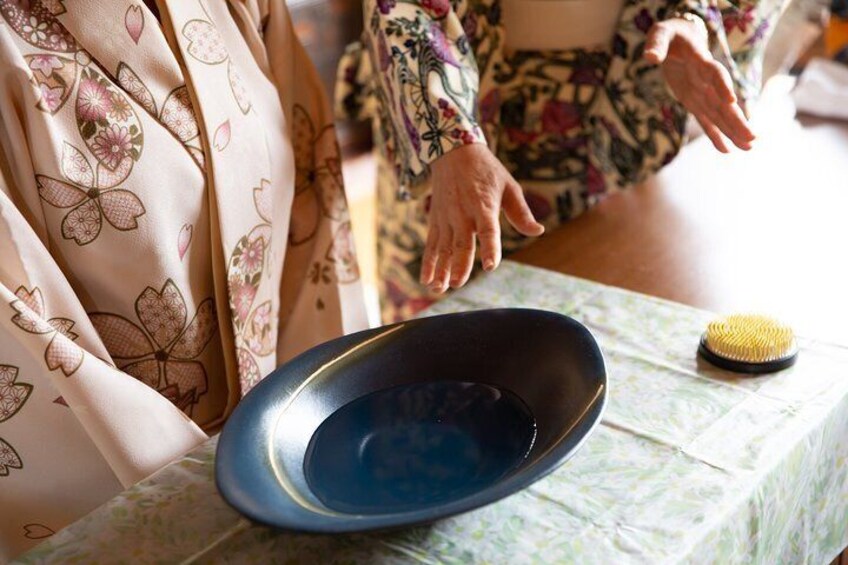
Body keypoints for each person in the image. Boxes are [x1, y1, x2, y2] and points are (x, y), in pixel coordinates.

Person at [0, 0, 366, 558]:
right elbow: (19, 331)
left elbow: (310, 189)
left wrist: (310, 421)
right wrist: (196, 492)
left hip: (281, 450)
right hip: (130, 494)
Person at [337, 0, 786, 322]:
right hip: (453, 97)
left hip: (622, 89)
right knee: (441, 337)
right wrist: (447, 133)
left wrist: (698, 15)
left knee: (601, 329)